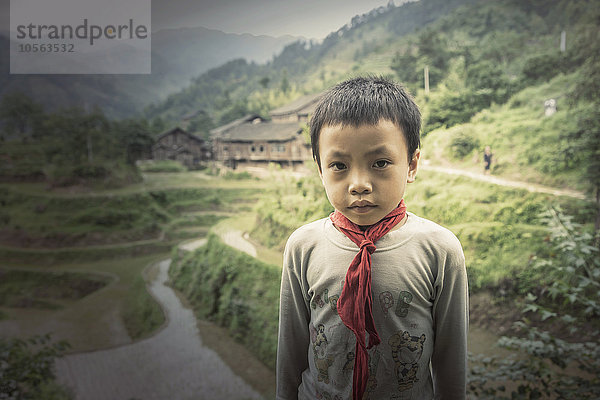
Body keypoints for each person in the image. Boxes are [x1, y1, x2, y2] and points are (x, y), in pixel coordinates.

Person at [276, 76, 469, 400]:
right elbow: (290, 348)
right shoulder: (303, 246)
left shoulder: (439, 249)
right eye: (339, 165)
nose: (359, 184)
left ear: (411, 164)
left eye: (380, 163)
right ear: (320, 170)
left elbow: (452, 361)